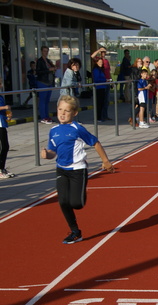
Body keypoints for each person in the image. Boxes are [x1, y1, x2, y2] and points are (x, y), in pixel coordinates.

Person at [40, 95, 115, 244]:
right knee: (62, 201)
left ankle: (80, 190)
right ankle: (75, 231)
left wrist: (106, 161)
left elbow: (96, 143)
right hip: (61, 169)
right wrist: (46, 154)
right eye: (60, 109)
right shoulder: (53, 130)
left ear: (74, 113)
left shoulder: (78, 129)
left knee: (76, 204)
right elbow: (53, 151)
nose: (62, 113)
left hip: (77, 170)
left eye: (66, 111)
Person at [36, 46, 56, 124]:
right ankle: (43, 117)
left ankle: (47, 116)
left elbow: (52, 67)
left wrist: (53, 68)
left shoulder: (48, 61)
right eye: (44, 51)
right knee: (42, 100)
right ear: (41, 51)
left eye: (47, 51)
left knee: (47, 100)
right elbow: (38, 72)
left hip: (49, 82)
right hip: (42, 82)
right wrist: (48, 70)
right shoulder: (40, 61)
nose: (46, 53)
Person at [0, 80, 15, 179]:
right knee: (4, 146)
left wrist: (7, 116)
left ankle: (2, 168)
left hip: (2, 122)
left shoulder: (1, 96)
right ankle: (1, 170)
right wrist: (4, 107)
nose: (1, 85)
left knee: (5, 146)